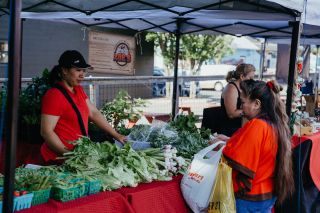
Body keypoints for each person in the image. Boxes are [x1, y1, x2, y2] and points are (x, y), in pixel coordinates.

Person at [211, 79, 294, 212]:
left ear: (256, 103)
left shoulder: (257, 125)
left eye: (243, 102)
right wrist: (227, 140)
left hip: (250, 198)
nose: (241, 106)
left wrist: (220, 145)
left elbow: (237, 156)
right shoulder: (273, 124)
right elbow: (255, 147)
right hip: (267, 194)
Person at [40, 50, 127, 164]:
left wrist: (116, 135)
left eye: (83, 70)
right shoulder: (54, 95)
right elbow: (46, 132)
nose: (82, 74)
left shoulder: (78, 90)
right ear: (64, 70)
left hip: (77, 156)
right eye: (77, 70)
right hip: (58, 159)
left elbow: (94, 114)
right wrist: (68, 155)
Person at [220, 63, 255, 136]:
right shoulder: (231, 88)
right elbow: (231, 114)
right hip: (229, 130)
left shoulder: (243, 88)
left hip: (239, 127)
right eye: (250, 78)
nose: (252, 81)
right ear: (242, 76)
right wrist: (252, 110)